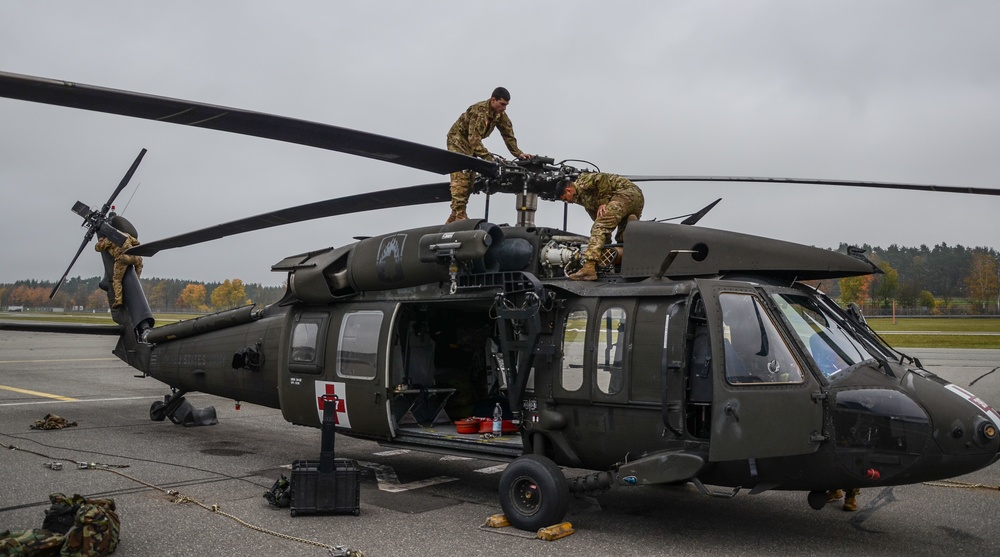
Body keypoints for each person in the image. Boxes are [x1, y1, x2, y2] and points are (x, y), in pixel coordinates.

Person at [446, 87, 531, 224]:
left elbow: (508, 135)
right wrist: (489, 159)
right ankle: (460, 215)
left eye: (506, 105)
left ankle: (454, 215)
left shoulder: (500, 114)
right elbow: (474, 140)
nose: (504, 108)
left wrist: (519, 154)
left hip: (472, 146)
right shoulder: (480, 112)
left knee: (471, 180)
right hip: (458, 141)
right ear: (493, 100)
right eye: (502, 104)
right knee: (462, 177)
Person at [556, 172, 644, 281]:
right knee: (622, 237)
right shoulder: (583, 199)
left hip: (624, 194)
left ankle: (589, 268)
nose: (567, 202)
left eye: (565, 198)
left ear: (568, 190)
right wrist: (605, 244)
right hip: (636, 200)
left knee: (599, 228)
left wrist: (604, 202)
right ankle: (621, 266)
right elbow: (597, 217)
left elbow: (602, 178)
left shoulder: (581, 182)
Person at [95, 231, 143, 308]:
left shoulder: (110, 238)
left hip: (122, 258)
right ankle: (137, 280)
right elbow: (137, 243)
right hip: (133, 256)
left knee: (117, 280)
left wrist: (101, 241)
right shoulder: (127, 235)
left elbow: (98, 248)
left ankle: (118, 300)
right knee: (140, 263)